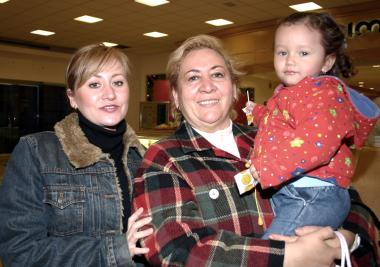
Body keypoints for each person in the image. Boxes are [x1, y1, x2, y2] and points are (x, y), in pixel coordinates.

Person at [133, 34, 379, 267]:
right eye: (193, 77)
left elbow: (348, 199)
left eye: (217, 74)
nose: (207, 86)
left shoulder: (277, 136)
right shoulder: (164, 158)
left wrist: (348, 239)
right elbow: (174, 250)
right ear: (175, 96)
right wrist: (285, 257)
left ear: (234, 88)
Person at [0, 43, 153, 266]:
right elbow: (19, 251)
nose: (109, 94)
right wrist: (114, 251)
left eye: (118, 82)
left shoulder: (144, 159)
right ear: (72, 97)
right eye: (94, 84)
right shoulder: (37, 152)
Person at [239, 12, 380, 240]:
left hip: (316, 193)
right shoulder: (290, 93)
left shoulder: (325, 95)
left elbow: (317, 143)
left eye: (303, 53)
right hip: (293, 190)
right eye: (282, 52)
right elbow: (281, 122)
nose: (290, 60)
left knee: (273, 251)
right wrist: (257, 112)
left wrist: (269, 167)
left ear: (327, 61)